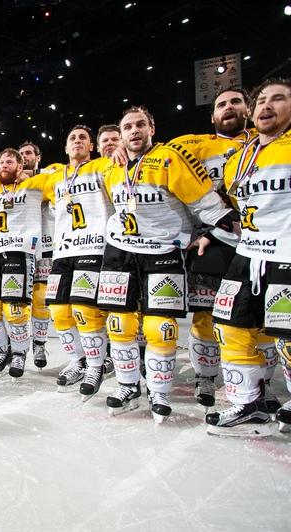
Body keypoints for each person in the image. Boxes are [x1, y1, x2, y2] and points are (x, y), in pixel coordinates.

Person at [99, 106, 240, 422]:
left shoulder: (170, 157)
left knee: (159, 328)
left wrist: (221, 226)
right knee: (119, 325)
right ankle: (127, 386)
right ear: (120, 135)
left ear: (152, 128)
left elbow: (203, 201)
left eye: (139, 125)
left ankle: (159, 393)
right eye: (127, 127)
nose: (133, 131)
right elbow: (108, 211)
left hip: (162, 252)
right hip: (119, 252)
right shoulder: (111, 168)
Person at [170, 88, 280, 411]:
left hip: (266, 244)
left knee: (264, 318)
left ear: (247, 108)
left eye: (235, 102)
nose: (228, 107)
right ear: (213, 115)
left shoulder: (272, 142)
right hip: (215, 242)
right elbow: (153, 160)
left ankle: (263, 382)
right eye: (221, 104)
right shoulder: (194, 145)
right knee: (208, 316)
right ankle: (205, 375)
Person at [207, 79, 291, 436]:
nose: (267, 106)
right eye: (262, 101)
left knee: (287, 335)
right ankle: (249, 401)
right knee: (230, 325)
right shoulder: (237, 160)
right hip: (248, 255)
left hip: (287, 254)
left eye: (279, 99)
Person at [42, 126, 115, 397]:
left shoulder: (102, 166)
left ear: (92, 146)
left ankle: (96, 365)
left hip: (94, 247)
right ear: (65, 148)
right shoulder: (54, 177)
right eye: (72, 138)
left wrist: (117, 150)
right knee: (59, 312)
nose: (77, 141)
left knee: (85, 311)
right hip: (62, 252)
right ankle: (78, 360)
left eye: (83, 137)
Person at [0, 148, 46, 378]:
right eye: (1, 163)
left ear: (20, 166)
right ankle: (1, 352)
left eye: (10, 162)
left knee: (15, 309)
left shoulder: (35, 185)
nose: (4, 165)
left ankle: (19, 353)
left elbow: (59, 175)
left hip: (19, 252)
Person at [19, 141, 53, 368]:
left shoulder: (50, 173)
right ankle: (17, 346)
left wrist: (30, 182)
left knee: (41, 299)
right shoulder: (10, 181)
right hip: (20, 245)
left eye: (28, 153)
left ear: (38, 157)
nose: (24, 157)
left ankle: (39, 344)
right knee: (17, 300)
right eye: (20, 154)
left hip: (48, 242)